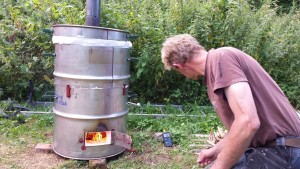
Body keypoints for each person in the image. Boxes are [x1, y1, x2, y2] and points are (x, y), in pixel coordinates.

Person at [160, 34, 300, 169]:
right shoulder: (217, 67)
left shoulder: (222, 58)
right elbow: (239, 128)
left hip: (285, 150)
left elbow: (248, 122)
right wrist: (217, 149)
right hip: (278, 148)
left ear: (178, 66)